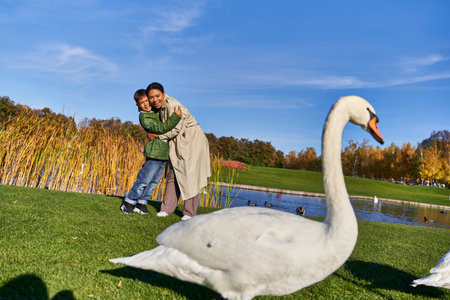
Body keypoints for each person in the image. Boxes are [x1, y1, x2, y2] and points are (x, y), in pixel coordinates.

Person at [146, 82, 211, 221]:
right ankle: (166, 209)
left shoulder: (172, 105)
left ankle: (189, 213)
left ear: (163, 94)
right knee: (173, 171)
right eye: (151, 97)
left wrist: (158, 136)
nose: (155, 99)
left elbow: (176, 129)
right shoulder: (159, 108)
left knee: (190, 175)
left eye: (157, 96)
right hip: (177, 140)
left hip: (191, 139)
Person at [121, 89, 182, 214]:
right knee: (144, 180)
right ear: (138, 105)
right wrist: (176, 117)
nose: (146, 104)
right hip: (154, 153)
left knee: (154, 182)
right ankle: (129, 202)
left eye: (147, 101)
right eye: (142, 103)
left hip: (164, 154)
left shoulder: (156, 112)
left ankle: (141, 203)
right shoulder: (144, 116)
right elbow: (160, 128)